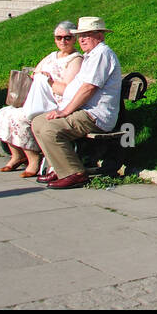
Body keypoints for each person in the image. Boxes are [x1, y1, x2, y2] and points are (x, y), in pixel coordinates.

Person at [30, 16, 123, 189]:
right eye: (80, 35)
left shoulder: (102, 54)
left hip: (94, 115)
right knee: (38, 122)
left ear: (100, 35)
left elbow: (88, 88)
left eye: (87, 34)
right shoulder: (91, 55)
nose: (82, 39)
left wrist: (65, 112)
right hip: (82, 110)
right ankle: (58, 168)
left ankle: (75, 173)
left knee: (51, 130)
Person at [0, 21, 83, 177]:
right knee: (5, 113)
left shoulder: (75, 59)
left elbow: (67, 90)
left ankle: (33, 159)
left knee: (21, 117)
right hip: (39, 100)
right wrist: (40, 77)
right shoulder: (52, 56)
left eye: (67, 37)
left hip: (56, 104)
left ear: (74, 38)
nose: (62, 41)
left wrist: (49, 81)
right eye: (58, 37)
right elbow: (35, 74)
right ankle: (18, 156)